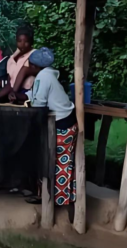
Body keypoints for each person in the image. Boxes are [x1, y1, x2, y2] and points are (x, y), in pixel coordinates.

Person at [24, 47, 78, 218]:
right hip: (63, 121)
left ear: (34, 65)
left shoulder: (43, 76)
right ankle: (51, 196)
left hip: (62, 124)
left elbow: (39, 103)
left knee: (58, 161)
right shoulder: (47, 75)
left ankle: (57, 200)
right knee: (55, 160)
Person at [5, 26, 37, 101]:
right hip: (12, 92)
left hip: (29, 92)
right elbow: (9, 83)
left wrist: (14, 93)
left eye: (26, 41)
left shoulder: (35, 55)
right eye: (19, 41)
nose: (22, 44)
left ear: (31, 42)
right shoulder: (11, 59)